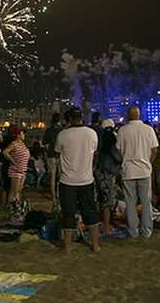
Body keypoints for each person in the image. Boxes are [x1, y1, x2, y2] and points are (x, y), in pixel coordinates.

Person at [54, 107, 101, 254]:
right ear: (82, 118)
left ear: (69, 119)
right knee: (90, 212)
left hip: (67, 181)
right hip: (86, 179)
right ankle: (95, 245)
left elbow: (57, 153)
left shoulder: (62, 135)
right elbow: (94, 151)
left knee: (68, 213)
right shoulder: (91, 133)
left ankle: (68, 247)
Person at [116, 106, 158, 238]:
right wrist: (148, 162)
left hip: (128, 171)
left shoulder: (122, 130)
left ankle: (133, 231)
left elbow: (118, 150)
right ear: (139, 115)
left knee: (130, 203)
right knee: (146, 202)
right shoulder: (148, 129)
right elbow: (154, 150)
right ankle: (146, 230)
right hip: (144, 170)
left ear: (128, 115)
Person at [95, 119, 121, 235]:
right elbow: (117, 157)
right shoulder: (113, 139)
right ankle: (106, 226)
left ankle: (102, 223)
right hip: (108, 172)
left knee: (101, 199)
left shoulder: (99, 138)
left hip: (99, 171)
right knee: (107, 200)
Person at [3, 126, 29, 205]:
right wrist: (13, 161)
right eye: (22, 133)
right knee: (14, 192)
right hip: (16, 170)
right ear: (18, 135)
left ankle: (15, 207)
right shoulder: (14, 144)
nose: (24, 135)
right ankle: (11, 207)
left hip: (22, 170)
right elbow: (5, 152)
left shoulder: (23, 144)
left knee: (18, 191)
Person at [42, 113, 62, 207]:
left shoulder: (49, 130)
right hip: (60, 154)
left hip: (51, 154)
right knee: (61, 176)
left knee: (52, 176)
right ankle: (59, 194)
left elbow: (44, 142)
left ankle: (53, 196)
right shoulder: (62, 130)